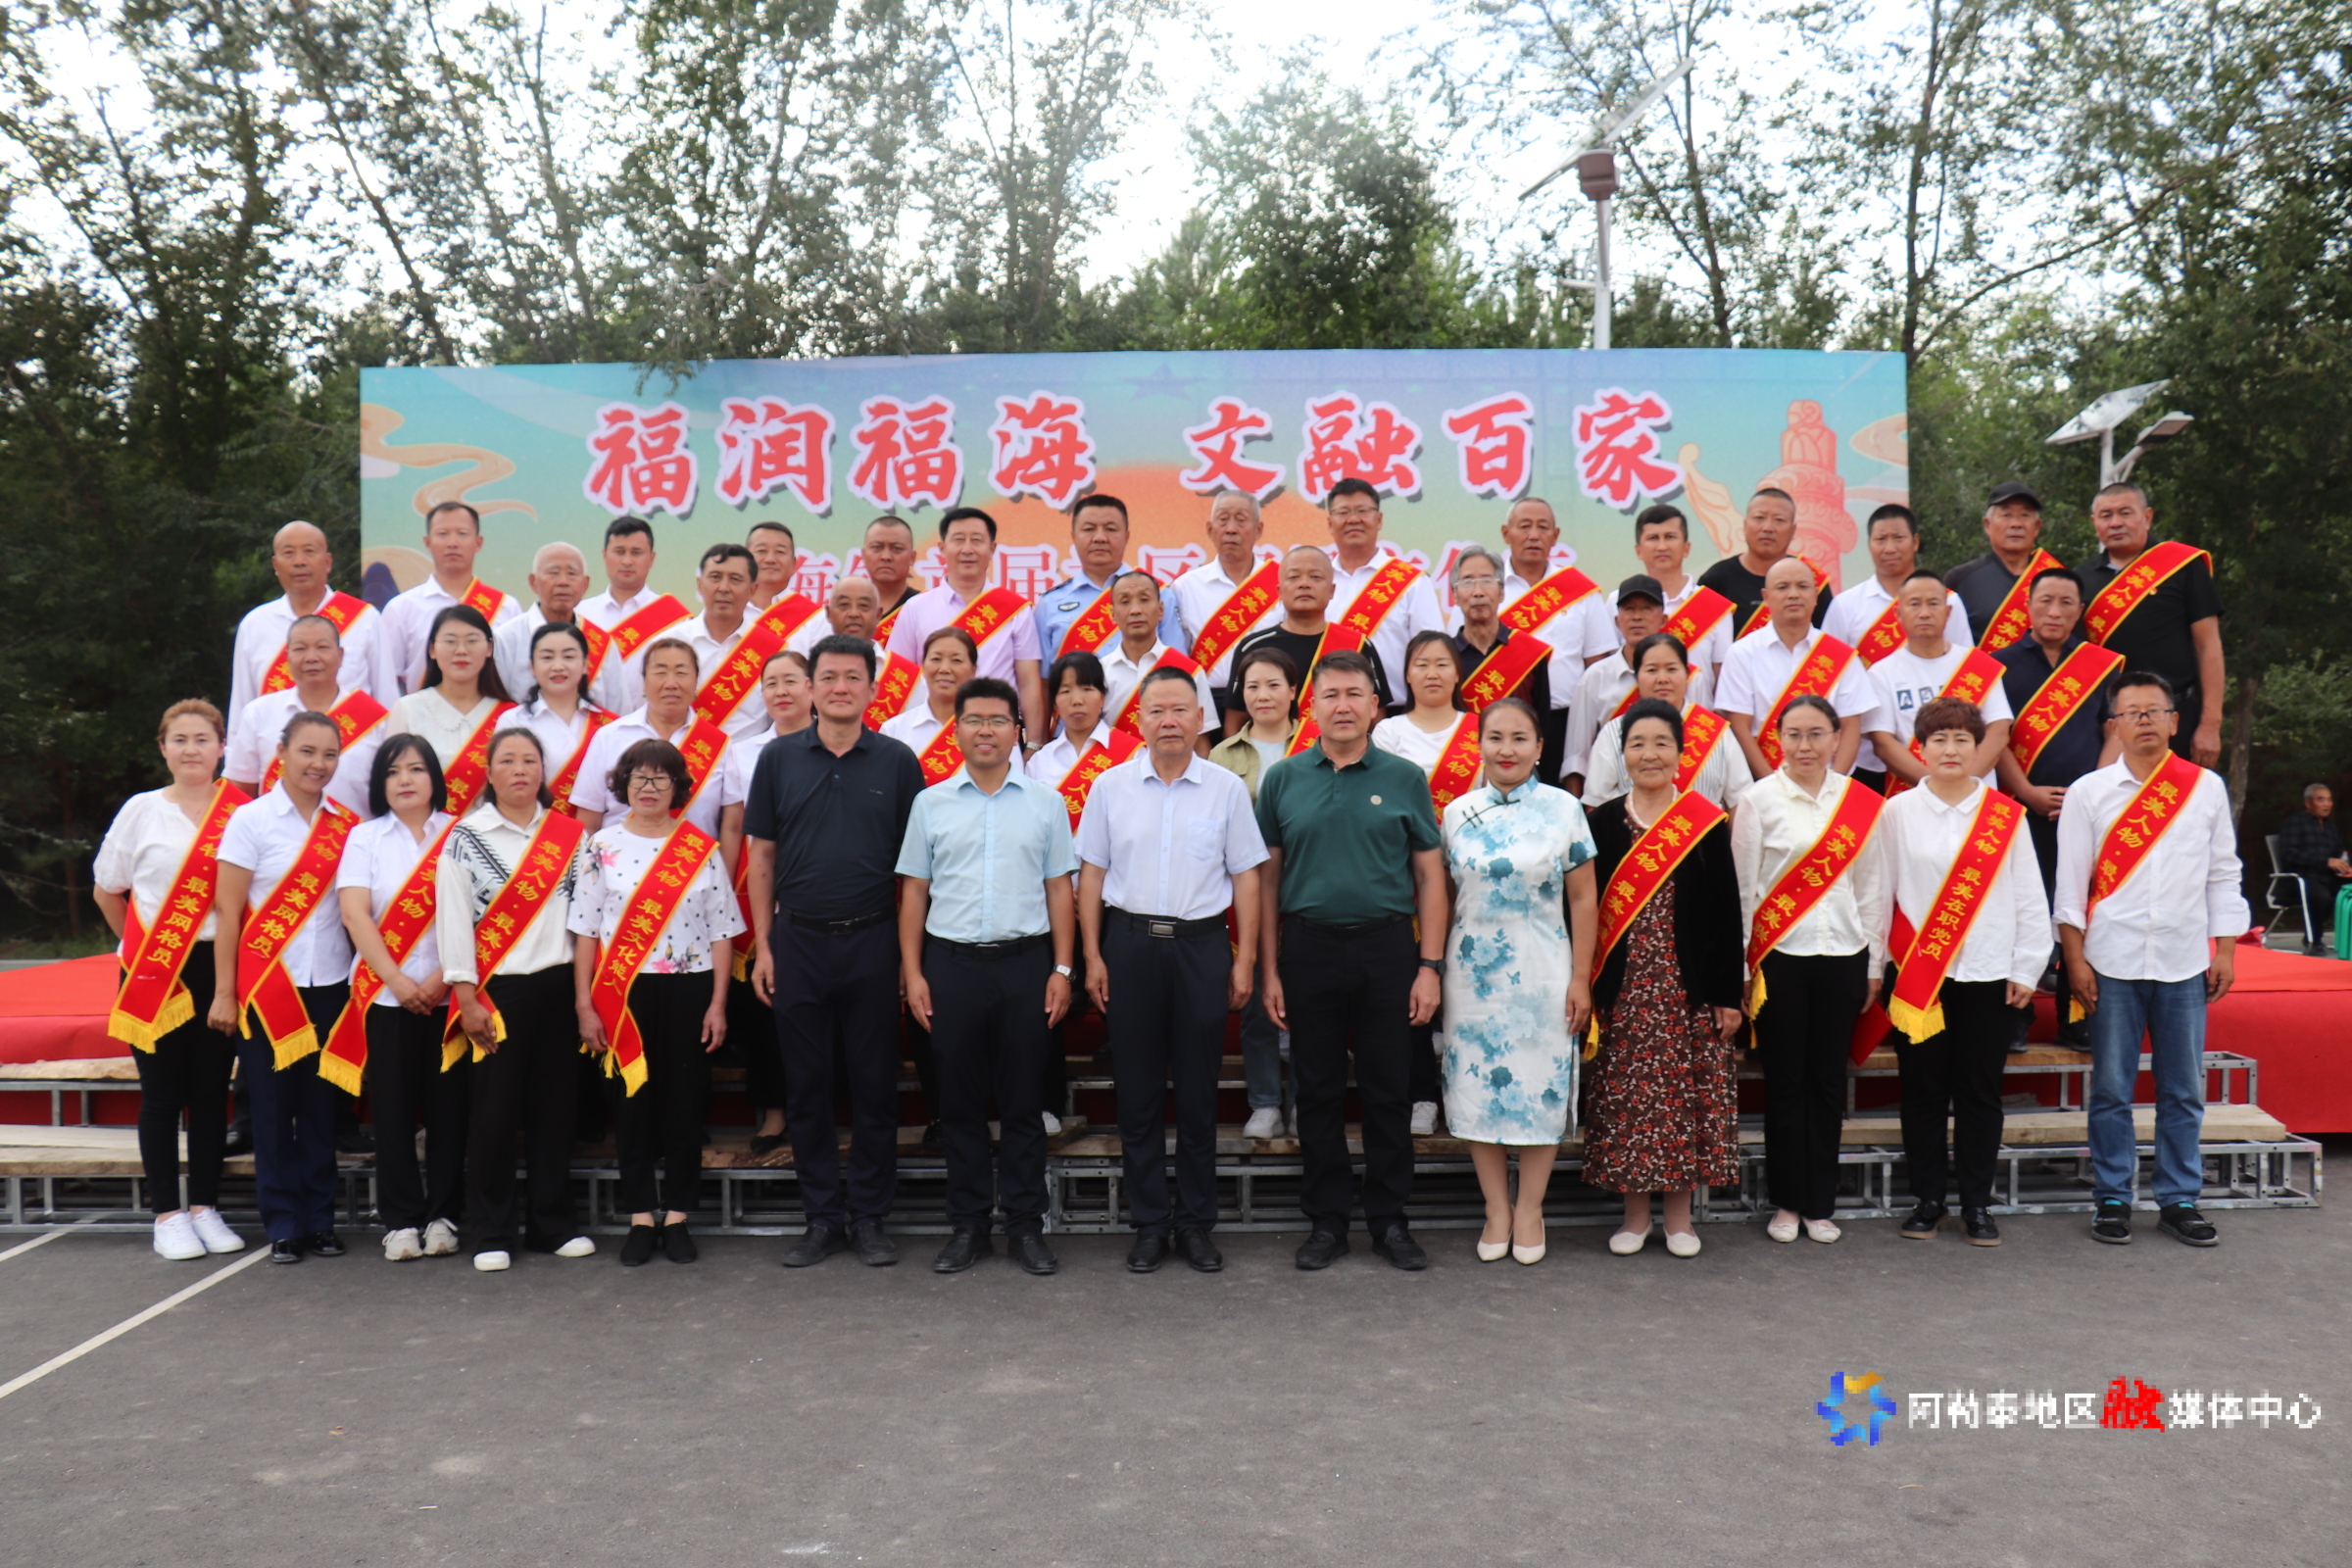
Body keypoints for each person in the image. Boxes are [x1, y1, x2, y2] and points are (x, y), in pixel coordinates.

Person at [1256, 650, 1447, 1271]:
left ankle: (1389, 1221)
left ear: (1374, 706)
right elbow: (1266, 881)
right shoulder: (1283, 779)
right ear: (1310, 707)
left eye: (1354, 695)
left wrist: (1429, 967)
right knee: (1316, 1093)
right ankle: (1327, 1223)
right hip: (1308, 948)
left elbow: (1430, 877)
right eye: (1330, 695)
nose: (1342, 706)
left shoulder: (1404, 778)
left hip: (1387, 949)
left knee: (1388, 1092)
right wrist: (1269, 969)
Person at [1077, 666, 1266, 1274]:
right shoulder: (1110, 787)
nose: (1168, 721)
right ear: (1138, 720)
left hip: (1201, 947)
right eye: (1156, 710)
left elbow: (1247, 877)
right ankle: (1150, 1224)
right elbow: (1091, 877)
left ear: (1199, 718)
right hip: (1129, 945)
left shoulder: (1225, 789)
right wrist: (1092, 955)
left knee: (1198, 1092)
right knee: (1136, 1095)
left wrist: (1246, 959)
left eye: (1180, 710)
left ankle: (1195, 1224)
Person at [745, 635, 926, 1268]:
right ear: (811, 687)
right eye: (829, 677)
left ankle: (871, 1217)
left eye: (853, 677)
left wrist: (907, 959)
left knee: (875, 1084)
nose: (840, 687)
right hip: (798, 941)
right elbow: (761, 857)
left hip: (873, 940)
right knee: (807, 1086)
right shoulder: (778, 758)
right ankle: (822, 1217)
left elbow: (916, 870)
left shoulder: (898, 761)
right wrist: (764, 945)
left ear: (873, 688)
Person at [2055, 671, 2248, 1247]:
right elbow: (2070, 884)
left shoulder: (2204, 788)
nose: (2143, 720)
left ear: (2174, 721)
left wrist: (2226, 948)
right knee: (2112, 1089)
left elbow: (2223, 873)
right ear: (2113, 725)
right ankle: (2113, 1197)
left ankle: (2179, 1198)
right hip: (2110, 959)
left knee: (2182, 1088)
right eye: (2131, 712)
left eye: (2154, 710)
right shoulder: (2089, 792)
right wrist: (2075, 961)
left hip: (2184, 959)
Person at [897, 676, 1078, 1276]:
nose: (985, 731)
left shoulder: (1045, 803)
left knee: (1025, 1103)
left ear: (1017, 730)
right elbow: (914, 892)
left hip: (1025, 964)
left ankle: (1026, 1226)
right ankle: (968, 1226)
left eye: (998, 720)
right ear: (956, 730)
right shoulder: (930, 804)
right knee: (960, 1104)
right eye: (973, 720)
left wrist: (1062, 967)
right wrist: (913, 972)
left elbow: (1059, 889)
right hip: (951, 965)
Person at [1881, 699, 2049, 1247]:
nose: (1950, 750)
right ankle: (1928, 1199)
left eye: (1961, 740)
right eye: (1939, 739)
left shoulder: (2003, 815)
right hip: (1919, 976)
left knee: (1980, 1093)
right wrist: (1877, 966)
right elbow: (1880, 894)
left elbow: (2029, 896)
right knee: (1922, 1090)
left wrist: (2027, 966)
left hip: (1988, 972)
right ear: (1921, 748)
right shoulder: (1897, 813)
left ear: (1978, 748)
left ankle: (1977, 1203)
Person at [1581, 700, 1745, 1259]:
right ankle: (1633, 1217)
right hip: (1623, 988)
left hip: (1685, 988)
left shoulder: (1704, 821)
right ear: (1622, 754)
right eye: (1637, 744)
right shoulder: (1602, 822)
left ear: (1680, 752)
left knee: (1683, 1100)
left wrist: (1725, 994)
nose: (1649, 754)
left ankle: (1678, 1219)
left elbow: (1725, 912)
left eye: (1661, 743)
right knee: (1629, 1100)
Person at [570, 738, 743, 1266]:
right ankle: (641, 1216)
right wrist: (584, 1004)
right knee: (631, 1105)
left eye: (660, 778)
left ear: (678, 788)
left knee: (685, 1103)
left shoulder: (699, 848)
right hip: (623, 991)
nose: (648, 787)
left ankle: (680, 1215)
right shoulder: (600, 844)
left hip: (690, 988)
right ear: (622, 785)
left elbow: (722, 931)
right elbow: (585, 929)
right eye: (638, 777)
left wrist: (718, 1003)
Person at [1438, 697, 1598, 1265]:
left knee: (1539, 1088)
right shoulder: (1456, 813)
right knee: (1477, 1088)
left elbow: (1583, 898)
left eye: (1519, 738)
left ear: (1540, 747)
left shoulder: (1564, 809)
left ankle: (1530, 1208)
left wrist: (1580, 978)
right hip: (1472, 977)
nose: (1506, 750)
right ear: (1479, 744)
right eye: (1496, 738)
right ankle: (1495, 1209)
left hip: (1544, 972)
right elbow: (1446, 897)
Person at [93, 700, 249, 1261]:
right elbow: (107, 889)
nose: (191, 749)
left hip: (220, 967)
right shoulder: (142, 810)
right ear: (163, 748)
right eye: (179, 739)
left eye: (203, 739)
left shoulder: (242, 812)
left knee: (209, 1094)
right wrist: (142, 951)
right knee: (161, 1096)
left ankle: (205, 1207)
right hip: (154, 968)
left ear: (222, 748)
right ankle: (167, 1215)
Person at [1732, 694, 1889, 1245]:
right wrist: (1743, 966)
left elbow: (1872, 889)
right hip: (1780, 959)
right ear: (1778, 739)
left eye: (1816, 734)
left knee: (1826, 1082)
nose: (1805, 746)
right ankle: (1787, 1202)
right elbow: (1743, 891)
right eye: (1794, 734)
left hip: (1844, 955)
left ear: (1836, 739)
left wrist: (1874, 963)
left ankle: (1820, 1202)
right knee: (1785, 1082)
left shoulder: (1859, 802)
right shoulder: (1758, 801)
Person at [437, 727, 595, 1272]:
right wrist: (466, 996)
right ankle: (491, 1231)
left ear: (543, 771)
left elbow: (585, 919)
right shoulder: (465, 836)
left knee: (556, 1109)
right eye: (507, 760)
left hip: (559, 984)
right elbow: (453, 921)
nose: (520, 769)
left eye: (529, 760)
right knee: (493, 1114)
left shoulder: (569, 835)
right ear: (489, 772)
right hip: (497, 991)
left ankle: (553, 1224)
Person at [209, 710, 359, 1264]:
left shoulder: (346, 825)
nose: (318, 764)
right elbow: (228, 913)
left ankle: (320, 1220)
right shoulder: (250, 821)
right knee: (272, 1112)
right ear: (281, 753)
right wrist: (224, 992)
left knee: (321, 1111)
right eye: (307, 751)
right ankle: (283, 1224)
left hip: (331, 984)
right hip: (269, 986)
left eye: (329, 754)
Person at [334, 735, 463, 1262]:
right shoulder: (364, 838)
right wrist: (398, 980)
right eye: (392, 772)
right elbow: (355, 914)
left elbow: (480, 915)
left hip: (451, 996)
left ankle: (445, 1215)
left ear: (434, 777)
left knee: (450, 1110)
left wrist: (442, 978)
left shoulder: (461, 833)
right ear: (379, 783)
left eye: (415, 769)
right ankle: (401, 1220)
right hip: (386, 997)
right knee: (391, 1111)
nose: (404, 780)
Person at [1993, 566, 2119, 1040]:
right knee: (2019, 907)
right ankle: (2014, 1017)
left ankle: (2077, 1016)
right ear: (2027, 607)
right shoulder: (1999, 664)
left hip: (2084, 810)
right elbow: (1994, 737)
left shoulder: (2100, 665)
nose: (2054, 611)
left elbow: (2114, 731)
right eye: (2045, 600)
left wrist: (2092, 793)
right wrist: (2025, 791)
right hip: (2019, 808)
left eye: (2066, 602)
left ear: (2080, 611)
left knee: (2080, 908)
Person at [1022, 651, 1134, 1137]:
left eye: (1086, 688)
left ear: (1103, 697)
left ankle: (1132, 1107)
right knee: (1046, 1004)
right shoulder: (1038, 763)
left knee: (1125, 1006)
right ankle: (1047, 1103)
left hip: (1118, 897)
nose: (1076, 699)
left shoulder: (1131, 752)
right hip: (1055, 899)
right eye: (1065, 690)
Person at [1370, 630, 1477, 1137]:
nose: (1432, 672)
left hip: (1473, 878)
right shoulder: (1388, 733)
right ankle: (1420, 1095)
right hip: (1407, 876)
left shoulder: (1480, 729)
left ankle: (1467, 1093)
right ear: (1406, 675)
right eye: (1421, 663)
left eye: (1441, 663)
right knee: (1412, 984)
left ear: (1458, 673)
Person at [1208, 645, 1302, 1141]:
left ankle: (1306, 1102)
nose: (1263, 695)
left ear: (1293, 691)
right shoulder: (1222, 756)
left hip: (1305, 892)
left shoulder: (1316, 746)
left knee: (1307, 1001)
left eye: (1273, 685)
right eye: (1252, 686)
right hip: (1243, 895)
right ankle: (1265, 1103)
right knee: (1253, 999)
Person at [722, 650, 812, 1154]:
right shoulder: (743, 752)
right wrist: (727, 889)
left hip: (817, 887)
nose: (780, 691)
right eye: (770, 683)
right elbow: (735, 825)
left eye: (790, 681)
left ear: (812, 688)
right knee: (765, 1009)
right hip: (756, 887)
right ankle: (775, 1112)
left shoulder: (834, 742)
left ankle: (817, 1109)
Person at [2076, 482, 2225, 766]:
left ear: (2147, 517)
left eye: (2125, 513)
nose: (2115, 523)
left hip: (2175, 715)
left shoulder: (2182, 565)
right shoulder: (2080, 578)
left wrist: (2211, 723)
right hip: (2111, 722)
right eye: (2106, 515)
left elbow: (2209, 645)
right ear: (2095, 523)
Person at [884, 507, 1049, 744]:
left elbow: (1029, 683)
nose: (967, 549)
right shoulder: (915, 608)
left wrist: (1034, 743)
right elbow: (898, 679)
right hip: (930, 738)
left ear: (992, 549)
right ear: (942, 548)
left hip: (997, 737)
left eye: (977, 540)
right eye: (959, 540)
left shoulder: (1016, 610)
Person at [1715, 557, 1880, 780]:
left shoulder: (1840, 655)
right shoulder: (1742, 653)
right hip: (1763, 784)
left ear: (1815, 595)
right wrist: (1772, 786)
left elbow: (1851, 727)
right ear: (1766, 597)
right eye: (1782, 587)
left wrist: (1832, 786)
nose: (1793, 594)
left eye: (1802, 586)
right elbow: (1740, 727)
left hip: (1829, 783)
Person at [569, 638, 739, 840]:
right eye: (660, 672)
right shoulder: (610, 736)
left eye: (681, 673)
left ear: (696, 681)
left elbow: (732, 827)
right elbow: (588, 820)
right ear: (643, 681)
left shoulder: (718, 744)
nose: (671, 684)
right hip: (618, 858)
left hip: (692, 857)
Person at [228, 519, 391, 729]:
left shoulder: (365, 619)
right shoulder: (254, 625)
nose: (299, 561)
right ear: (275, 565)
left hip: (352, 745)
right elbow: (241, 707)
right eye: (288, 553)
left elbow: (386, 699)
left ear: (328, 562)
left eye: (309, 551)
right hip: (275, 748)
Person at [1862, 569, 2013, 791]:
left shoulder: (1977, 664)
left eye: (1933, 603)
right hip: (1915, 795)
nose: (1924, 613)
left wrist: (1964, 782)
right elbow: (1883, 742)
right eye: (1915, 604)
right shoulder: (1881, 673)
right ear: (1898, 613)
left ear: (1948, 611)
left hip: (1978, 793)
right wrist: (1936, 786)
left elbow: (1999, 730)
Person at [1562, 576, 1715, 793]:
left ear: (1663, 619)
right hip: (1614, 795)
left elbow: (1704, 742)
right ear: (1617, 621)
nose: (1637, 617)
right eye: (1629, 609)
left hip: (1680, 793)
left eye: (1646, 608)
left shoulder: (1690, 678)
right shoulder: (1595, 677)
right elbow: (1577, 757)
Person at [225, 613, 386, 818]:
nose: (311, 657)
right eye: (300, 649)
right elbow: (239, 790)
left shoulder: (375, 719)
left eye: (322, 647)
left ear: (340, 655)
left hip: (355, 835)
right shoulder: (258, 713)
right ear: (287, 657)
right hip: (273, 836)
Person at [1579, 633, 1753, 811]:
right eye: (1652, 670)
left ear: (1687, 674)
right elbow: (1596, 805)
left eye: (1671, 669)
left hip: (1705, 830)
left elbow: (1740, 802)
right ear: (1637, 677)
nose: (1662, 679)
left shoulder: (1716, 732)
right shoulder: (1614, 732)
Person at [1449, 495, 1619, 676]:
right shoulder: (1481, 590)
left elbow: (1597, 663)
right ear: (1506, 533)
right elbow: (1455, 653)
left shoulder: (1580, 590)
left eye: (1543, 527)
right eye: (1525, 526)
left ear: (1555, 536)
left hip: (1569, 696)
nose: (1534, 536)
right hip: (1496, 694)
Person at [1225, 545, 1395, 722]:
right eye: (1294, 577)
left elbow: (1376, 718)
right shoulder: (1253, 647)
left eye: (1315, 577)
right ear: (1279, 592)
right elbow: (1235, 721)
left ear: (1331, 591)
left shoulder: (1358, 645)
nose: (1304, 584)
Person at [1447, 545, 1565, 786]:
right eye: (1467, 582)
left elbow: (1541, 722)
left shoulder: (1529, 652)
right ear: (1456, 596)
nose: (1478, 592)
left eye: (1487, 581)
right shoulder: (1446, 657)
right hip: (1458, 773)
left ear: (1501, 592)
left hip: (1520, 773)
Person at [1321, 478, 1446, 705]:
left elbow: (1433, 654)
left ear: (1379, 520)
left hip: (1395, 712)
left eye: (1362, 511)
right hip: (1329, 711)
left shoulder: (1412, 583)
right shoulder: (1317, 580)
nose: (1353, 519)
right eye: (1343, 512)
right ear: (1330, 523)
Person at [384, 605, 516, 816]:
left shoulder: (511, 716)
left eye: (472, 641)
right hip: (429, 833)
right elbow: (392, 781)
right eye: (450, 641)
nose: (461, 650)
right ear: (432, 650)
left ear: (489, 648)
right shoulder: (408, 709)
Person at [377, 501, 521, 694]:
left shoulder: (507, 607)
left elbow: (518, 674)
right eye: (442, 534)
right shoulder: (401, 608)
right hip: (423, 711)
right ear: (427, 543)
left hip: (492, 712)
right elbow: (387, 681)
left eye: (462, 534)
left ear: (478, 543)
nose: (452, 543)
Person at [1168, 488, 1283, 728]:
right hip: (1208, 704)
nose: (1231, 529)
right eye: (1223, 520)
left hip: (1270, 703)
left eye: (1241, 520)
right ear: (1210, 530)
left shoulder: (1281, 581)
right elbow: (1179, 652)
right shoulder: (1185, 587)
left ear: (1258, 530)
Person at [1033, 494, 1182, 664]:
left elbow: (1176, 665)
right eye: (1089, 529)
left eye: (1110, 529)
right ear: (1073, 537)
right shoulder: (1049, 603)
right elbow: (1042, 677)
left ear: (1126, 537)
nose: (1100, 538)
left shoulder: (1159, 594)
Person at [1822, 505, 1973, 667]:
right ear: (1869, 545)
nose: (1890, 548)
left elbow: (1964, 663)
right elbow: (1830, 666)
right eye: (1881, 539)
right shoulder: (1844, 605)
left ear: (1915, 542)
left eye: (1898, 538)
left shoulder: (1948, 600)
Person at [577, 515, 692, 717]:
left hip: (653, 727)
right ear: (604, 555)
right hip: (590, 725)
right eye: (619, 552)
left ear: (651, 558)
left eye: (636, 553)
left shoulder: (676, 620)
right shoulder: (580, 614)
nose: (627, 561)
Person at [1097, 570, 1217, 743]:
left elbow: (1201, 741)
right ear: (1113, 614)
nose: (1135, 610)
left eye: (1144, 600)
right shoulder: (1100, 673)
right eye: (1125, 602)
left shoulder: (1189, 671)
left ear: (1161, 610)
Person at [491, 541, 613, 710]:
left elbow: (619, 713)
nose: (563, 582)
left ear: (585, 584)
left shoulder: (603, 643)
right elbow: (494, 708)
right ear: (533, 582)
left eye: (571, 574)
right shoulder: (505, 639)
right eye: (553, 573)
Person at [1944, 482, 2063, 651]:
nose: (2016, 524)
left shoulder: (2058, 579)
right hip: (1984, 668)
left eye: (2025, 515)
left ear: (2037, 527)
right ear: (1988, 525)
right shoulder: (1961, 579)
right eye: (2006, 515)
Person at [514, 621, 616, 816]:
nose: (558, 666)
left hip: (602, 831)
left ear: (585, 665)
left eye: (568, 657)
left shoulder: (610, 725)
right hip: (535, 831)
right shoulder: (515, 722)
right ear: (532, 666)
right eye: (547, 657)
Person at [1695, 487, 1829, 637]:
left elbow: (1826, 640)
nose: (1768, 528)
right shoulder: (1717, 579)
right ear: (1745, 525)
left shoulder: (1810, 580)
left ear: (1793, 530)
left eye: (1779, 520)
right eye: (1759, 518)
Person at [1631, 504, 1738, 688]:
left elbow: (1723, 679)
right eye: (1653, 538)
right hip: (1637, 706)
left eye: (1670, 537)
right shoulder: (1619, 602)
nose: (1662, 546)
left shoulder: (1714, 607)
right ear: (1638, 550)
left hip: (1697, 706)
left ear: (1686, 548)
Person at [881, 625, 978, 771]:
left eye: (956, 660)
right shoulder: (894, 730)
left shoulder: (990, 730)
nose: (944, 669)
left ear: (973, 671)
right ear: (923, 666)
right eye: (936, 659)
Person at [2276, 784, 2350, 947]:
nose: (2327, 804)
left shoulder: (2330, 827)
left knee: (2346, 892)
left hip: (2327, 878)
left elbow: (2339, 855)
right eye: (2321, 800)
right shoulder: (2295, 822)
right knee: (2321, 896)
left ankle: (2347, 941)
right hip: (2300, 879)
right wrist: (2325, 861)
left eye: (2329, 800)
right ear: (2308, 803)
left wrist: (2346, 867)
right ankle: (2313, 941)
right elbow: (2289, 855)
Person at [859, 514, 922, 626]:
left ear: (912, 558)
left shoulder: (924, 607)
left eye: (897, 548)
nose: (886, 557)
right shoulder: (851, 610)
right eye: (877, 547)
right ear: (863, 555)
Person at [825, 574, 884, 646]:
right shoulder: (817, 653)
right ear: (829, 613)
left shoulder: (889, 654)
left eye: (863, 605)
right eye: (844, 604)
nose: (854, 614)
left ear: (878, 615)